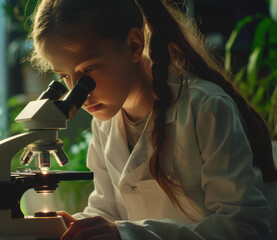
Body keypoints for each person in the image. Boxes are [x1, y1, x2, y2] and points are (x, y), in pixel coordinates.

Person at [29, 0, 277, 239]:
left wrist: (127, 234)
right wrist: (77, 227)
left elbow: (246, 227)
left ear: (134, 46)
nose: (79, 94)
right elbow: (108, 212)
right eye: (64, 76)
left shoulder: (205, 108)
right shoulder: (105, 124)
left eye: (89, 69)